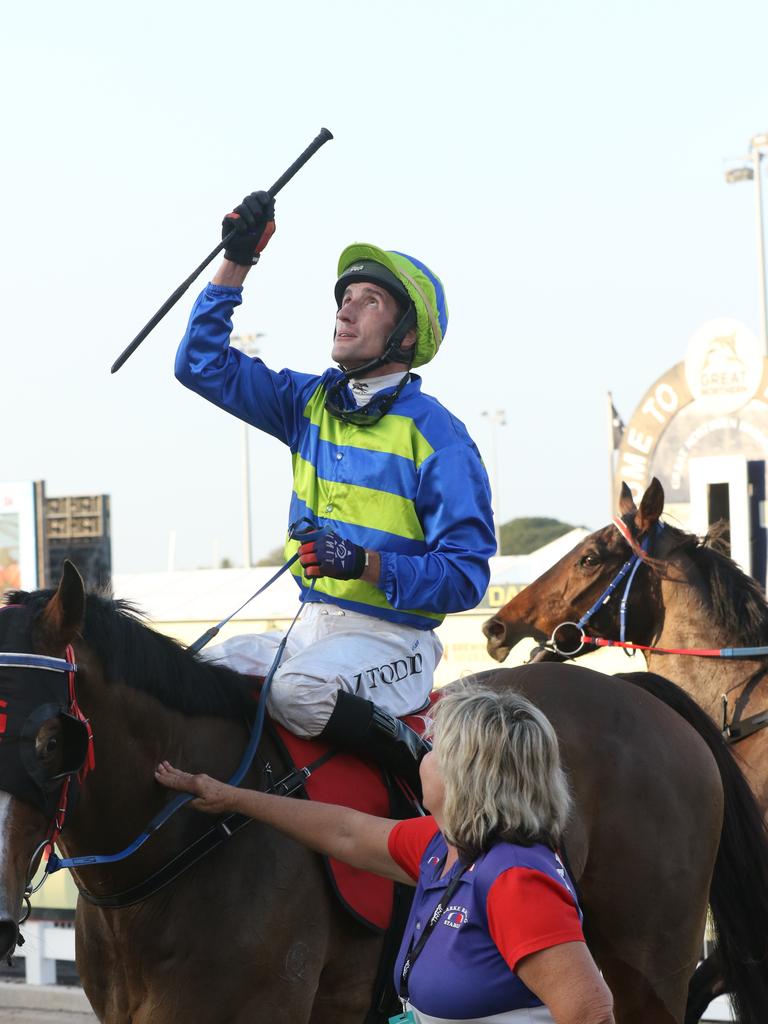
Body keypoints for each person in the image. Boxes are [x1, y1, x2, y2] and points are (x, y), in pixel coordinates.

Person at [174, 190, 496, 790]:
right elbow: (200, 364)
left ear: (405, 334)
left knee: (297, 691)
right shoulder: (308, 403)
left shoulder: (442, 438)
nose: (344, 313)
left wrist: (367, 563)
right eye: (344, 300)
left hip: (394, 642)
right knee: (190, 673)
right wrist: (236, 262)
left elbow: (466, 577)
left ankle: (423, 769)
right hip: (310, 628)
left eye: (368, 302)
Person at [156, 682, 615, 1024]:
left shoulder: (514, 877)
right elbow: (347, 832)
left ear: (468, 775)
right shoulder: (447, 844)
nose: (424, 757)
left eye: (437, 750)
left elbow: (591, 1012)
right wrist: (231, 798)